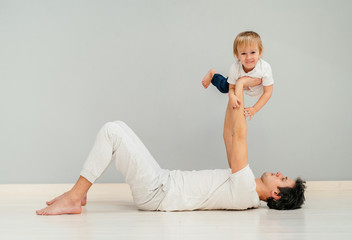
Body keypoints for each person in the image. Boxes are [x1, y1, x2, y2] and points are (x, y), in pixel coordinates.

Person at [36, 79, 305, 215]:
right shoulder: (244, 186)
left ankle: (74, 198)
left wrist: (243, 86)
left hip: (158, 192)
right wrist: (232, 90)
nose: (279, 173)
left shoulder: (246, 187)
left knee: (112, 131)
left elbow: (238, 137)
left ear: (276, 195)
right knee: (117, 128)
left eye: (283, 179)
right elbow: (227, 134)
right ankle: (81, 194)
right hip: (163, 182)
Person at [202, 31, 274, 120]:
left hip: (254, 89)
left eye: (253, 52)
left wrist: (254, 109)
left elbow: (268, 92)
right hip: (237, 81)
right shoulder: (235, 68)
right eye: (243, 53)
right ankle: (212, 74)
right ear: (237, 55)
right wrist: (231, 96)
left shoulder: (264, 68)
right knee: (224, 87)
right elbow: (231, 88)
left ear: (260, 52)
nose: (248, 57)